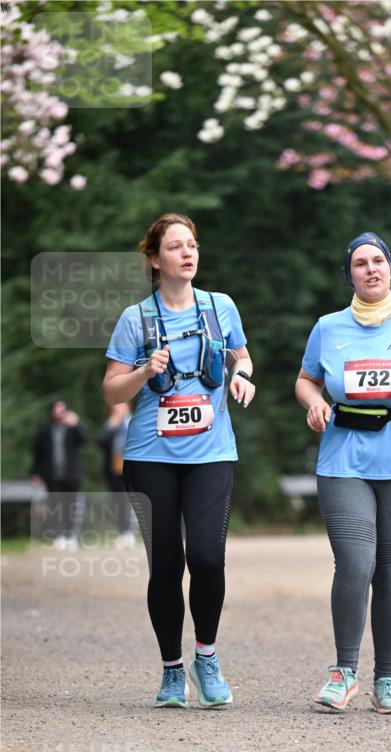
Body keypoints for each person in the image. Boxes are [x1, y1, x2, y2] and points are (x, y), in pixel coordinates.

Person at [295, 232, 391, 715]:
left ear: (390, 268)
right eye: (360, 263)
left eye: (378, 260)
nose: (371, 269)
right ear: (350, 274)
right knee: (355, 562)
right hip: (344, 458)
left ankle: (386, 680)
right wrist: (315, 402)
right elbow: (305, 380)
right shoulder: (328, 328)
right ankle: (343, 673)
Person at [103, 213, 255, 707]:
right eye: (175, 247)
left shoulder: (220, 306)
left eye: (192, 245)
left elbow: (242, 356)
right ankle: (172, 670)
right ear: (154, 260)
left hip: (211, 452)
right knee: (166, 564)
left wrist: (241, 375)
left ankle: (205, 657)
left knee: (207, 557)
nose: (187, 253)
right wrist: (144, 371)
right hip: (150, 456)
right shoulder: (135, 318)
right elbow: (111, 390)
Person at [31, 400, 87, 549]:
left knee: (71, 506)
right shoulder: (45, 430)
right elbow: (38, 453)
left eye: (62, 410)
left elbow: (84, 440)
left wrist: (76, 424)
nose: (59, 413)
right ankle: (57, 536)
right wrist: (35, 472)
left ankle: (70, 536)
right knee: (54, 506)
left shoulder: (72, 428)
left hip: (71, 475)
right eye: (56, 409)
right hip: (51, 475)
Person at [97, 402, 135, 548]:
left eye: (120, 406)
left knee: (130, 499)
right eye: (115, 407)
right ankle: (123, 532)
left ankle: (129, 532)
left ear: (127, 407)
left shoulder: (134, 422)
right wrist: (110, 425)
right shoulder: (110, 425)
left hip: (132, 467)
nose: (116, 409)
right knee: (117, 501)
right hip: (113, 469)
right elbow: (100, 442)